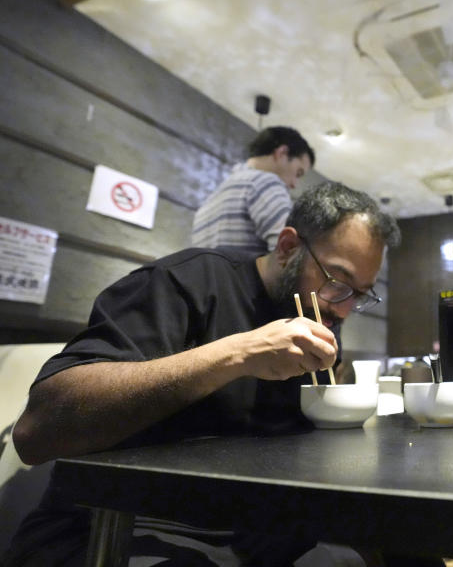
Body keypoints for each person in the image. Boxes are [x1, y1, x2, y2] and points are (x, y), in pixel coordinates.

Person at [4, 181, 401, 566]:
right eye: (337, 282)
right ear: (287, 247)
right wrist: (237, 353)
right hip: (117, 524)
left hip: (254, 530)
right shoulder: (184, 283)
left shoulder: (320, 321)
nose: (344, 309)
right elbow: (36, 431)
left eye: (361, 294)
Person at [192, 126, 317, 255]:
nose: (294, 184)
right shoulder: (265, 183)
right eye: (298, 173)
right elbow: (288, 252)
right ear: (282, 153)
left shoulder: (208, 201)